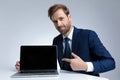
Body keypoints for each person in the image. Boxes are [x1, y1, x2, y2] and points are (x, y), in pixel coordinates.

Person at [15, 3, 115, 76]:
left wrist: (85, 66)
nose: (58, 24)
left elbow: (110, 63)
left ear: (69, 17)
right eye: (55, 21)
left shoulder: (88, 35)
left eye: (61, 19)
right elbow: (50, 64)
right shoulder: (56, 40)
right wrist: (27, 66)